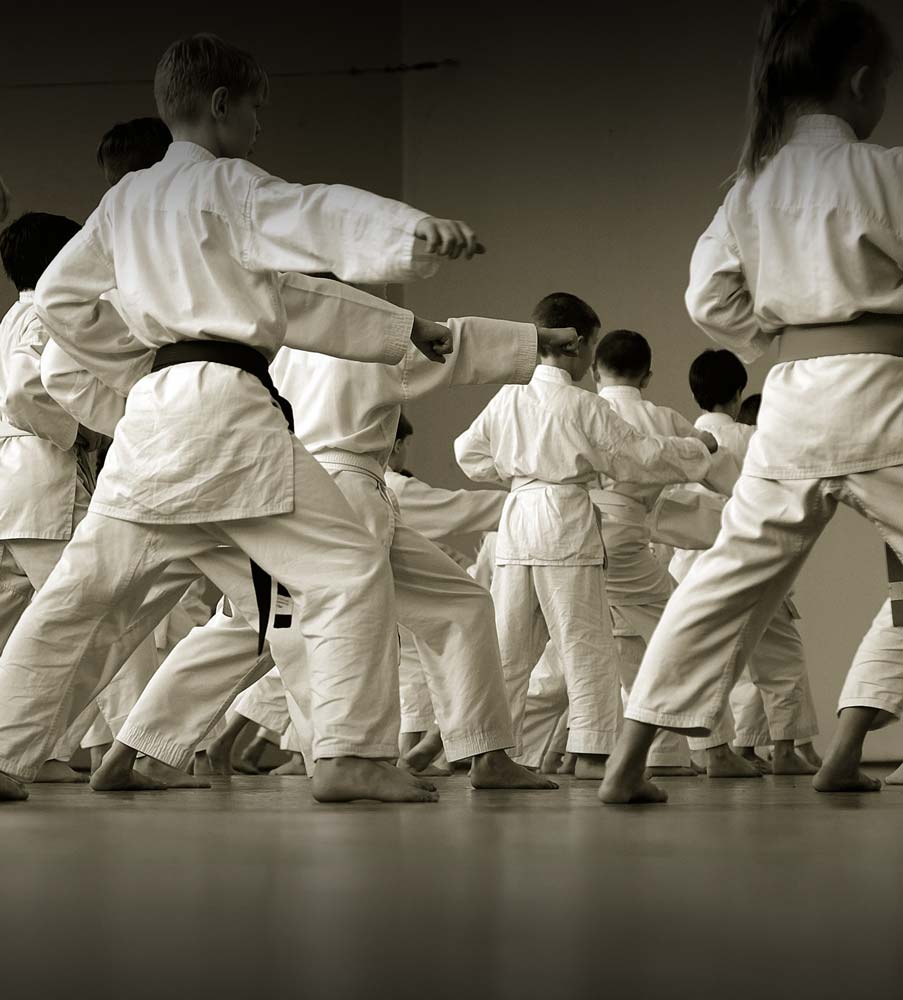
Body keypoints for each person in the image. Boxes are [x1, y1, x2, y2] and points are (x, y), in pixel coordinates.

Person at [0, 33, 481, 804]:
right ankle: (350, 753)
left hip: (155, 418)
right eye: (256, 108)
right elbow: (315, 211)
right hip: (224, 410)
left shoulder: (123, 203)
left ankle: (2, 751)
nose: (259, 125)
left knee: (77, 600)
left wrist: (137, 368)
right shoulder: (227, 184)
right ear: (221, 105)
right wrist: (409, 231)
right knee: (349, 569)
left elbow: (63, 298)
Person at [99, 276, 577, 793]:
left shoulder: (277, 346)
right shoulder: (368, 340)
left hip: (285, 486)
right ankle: (415, 755)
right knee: (279, 626)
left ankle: (135, 753)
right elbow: (452, 347)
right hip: (343, 496)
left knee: (258, 627)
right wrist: (536, 341)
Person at [600, 0, 901, 805]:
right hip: (882, 396)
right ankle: (847, 740)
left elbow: (707, 297)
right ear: (861, 82)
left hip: (792, 405)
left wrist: (775, 331)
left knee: (723, 581)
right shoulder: (887, 171)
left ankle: (628, 760)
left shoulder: (750, 187)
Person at [456, 293, 717, 779]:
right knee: (585, 640)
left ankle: (491, 755)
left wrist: (520, 474)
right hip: (563, 520)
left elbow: (467, 453)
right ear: (577, 344)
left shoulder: (507, 397)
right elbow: (639, 457)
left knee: (509, 646)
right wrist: (697, 449)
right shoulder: (581, 404)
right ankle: (594, 753)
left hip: (517, 517)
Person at [0, 212, 160, 783]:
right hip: (43, 482)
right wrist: (86, 432)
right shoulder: (44, 316)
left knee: (24, 624)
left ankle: (48, 749)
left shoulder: (13, 316)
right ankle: (126, 749)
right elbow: (25, 390)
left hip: (16, 487)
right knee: (99, 613)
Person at [668, 349, 819, 777]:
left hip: (689, 566)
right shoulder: (755, 440)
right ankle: (784, 750)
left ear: (695, 393)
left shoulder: (679, 442)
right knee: (780, 658)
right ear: (738, 394)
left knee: (698, 662)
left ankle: (713, 751)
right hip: (748, 561)